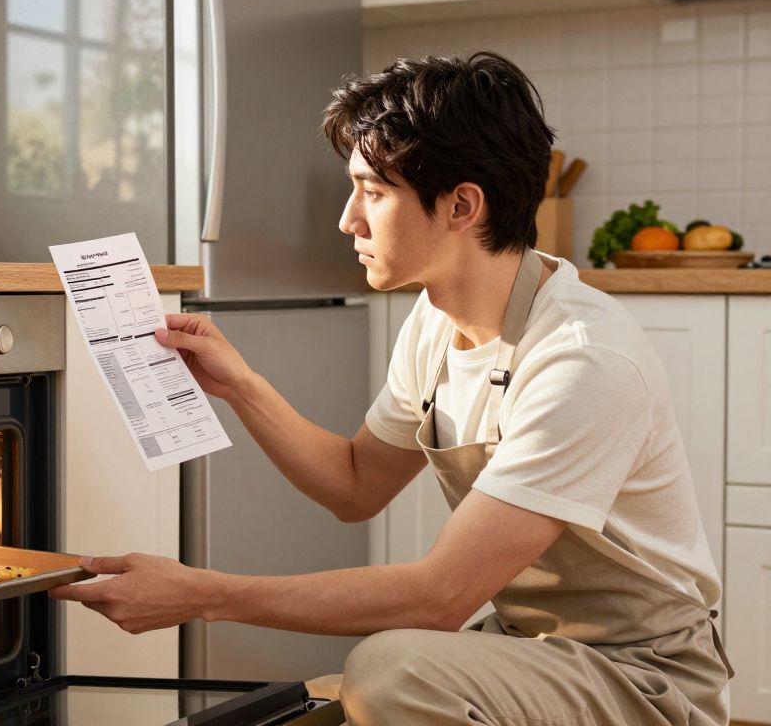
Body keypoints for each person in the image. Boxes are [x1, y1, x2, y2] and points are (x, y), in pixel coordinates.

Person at [50, 51, 733, 725]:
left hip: (644, 676)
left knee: (388, 671)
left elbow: (439, 597)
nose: (348, 219)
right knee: (350, 693)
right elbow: (355, 485)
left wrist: (201, 594)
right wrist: (243, 388)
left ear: (462, 205)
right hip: (536, 651)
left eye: (372, 192)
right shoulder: (435, 322)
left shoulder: (582, 361)